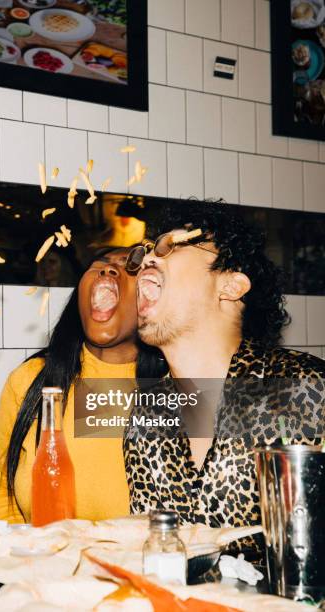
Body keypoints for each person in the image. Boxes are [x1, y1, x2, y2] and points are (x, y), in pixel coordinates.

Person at [123, 200, 325, 535]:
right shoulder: (148, 411)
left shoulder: (306, 388)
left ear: (231, 286)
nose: (147, 257)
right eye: (145, 250)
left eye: (171, 245)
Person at [0, 247, 166, 524]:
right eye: (99, 264)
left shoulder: (175, 388)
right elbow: (0, 488)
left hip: (136, 565)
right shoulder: (32, 380)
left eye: (130, 268)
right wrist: (29, 556)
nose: (108, 270)